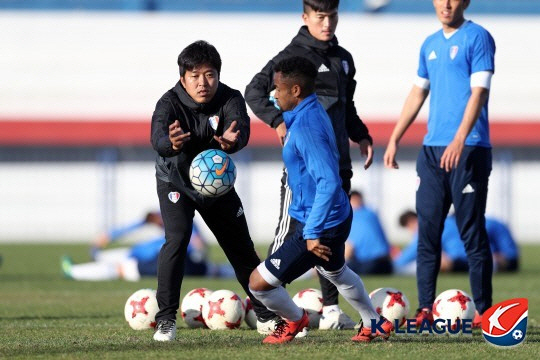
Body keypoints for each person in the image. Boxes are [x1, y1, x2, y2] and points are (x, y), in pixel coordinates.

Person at [245, 0, 373, 332]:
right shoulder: (292, 58)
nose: (327, 22)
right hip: (305, 171)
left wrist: (361, 135)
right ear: (305, 17)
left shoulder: (343, 59)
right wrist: (277, 121)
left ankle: (330, 308)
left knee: (330, 249)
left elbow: (348, 107)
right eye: (320, 16)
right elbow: (254, 91)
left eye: (332, 15)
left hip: (336, 165)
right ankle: (270, 310)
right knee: (292, 232)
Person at [248, 56, 392, 344]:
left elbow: (328, 180)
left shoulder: (306, 128)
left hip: (320, 223)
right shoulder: (309, 111)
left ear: (296, 91)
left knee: (259, 284)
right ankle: (375, 322)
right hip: (334, 214)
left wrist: (312, 233)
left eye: (278, 88)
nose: (274, 94)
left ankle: (294, 319)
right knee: (336, 271)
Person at [383, 0, 496, 329]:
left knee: (471, 232)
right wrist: (395, 137)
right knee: (427, 233)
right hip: (431, 153)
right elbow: (418, 93)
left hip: (469, 148)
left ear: (466, 1)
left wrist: (460, 138)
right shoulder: (429, 44)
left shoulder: (478, 37)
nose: (446, 4)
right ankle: (425, 309)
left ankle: (486, 312)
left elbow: (479, 92)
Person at [150, 40, 271, 341]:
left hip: (216, 184)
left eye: (210, 75)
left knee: (241, 247)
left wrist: (234, 141)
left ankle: (267, 315)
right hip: (175, 182)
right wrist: (171, 143)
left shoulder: (230, 98)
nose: (203, 83)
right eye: (195, 76)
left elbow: (240, 127)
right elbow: (157, 138)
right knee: (177, 241)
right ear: (183, 79)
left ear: (218, 75)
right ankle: (166, 320)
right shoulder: (168, 104)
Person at [60, 212, 234, 281]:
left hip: (166, 260)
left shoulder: (171, 218)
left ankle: (74, 271)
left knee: (122, 268)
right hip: (190, 264)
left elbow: (197, 243)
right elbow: (200, 244)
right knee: (214, 270)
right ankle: (251, 272)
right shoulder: (185, 217)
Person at [393, 210, 469, 275]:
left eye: (409, 228)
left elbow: (413, 251)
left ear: (411, 221)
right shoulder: (447, 220)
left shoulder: (429, 226)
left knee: (429, 255)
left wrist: (392, 264)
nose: (411, 232)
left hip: (461, 261)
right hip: (473, 258)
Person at [344, 190, 393, 274]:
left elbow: (350, 247)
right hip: (387, 264)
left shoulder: (353, 216)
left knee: (340, 271)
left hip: (370, 264)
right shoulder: (372, 214)